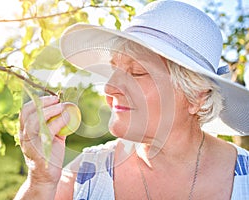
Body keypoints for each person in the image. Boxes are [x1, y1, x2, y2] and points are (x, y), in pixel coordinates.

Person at [15, 1, 249, 199]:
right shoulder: (82, 176)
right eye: (114, 69)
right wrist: (41, 181)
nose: (109, 88)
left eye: (137, 72)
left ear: (197, 96)